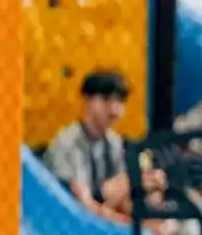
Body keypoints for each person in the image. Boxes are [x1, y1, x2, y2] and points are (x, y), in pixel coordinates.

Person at [44, 69, 166, 223]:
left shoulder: (113, 142)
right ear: (86, 100)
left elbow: (121, 198)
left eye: (120, 101)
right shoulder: (66, 144)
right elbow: (75, 205)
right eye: (106, 99)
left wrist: (147, 189)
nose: (114, 110)